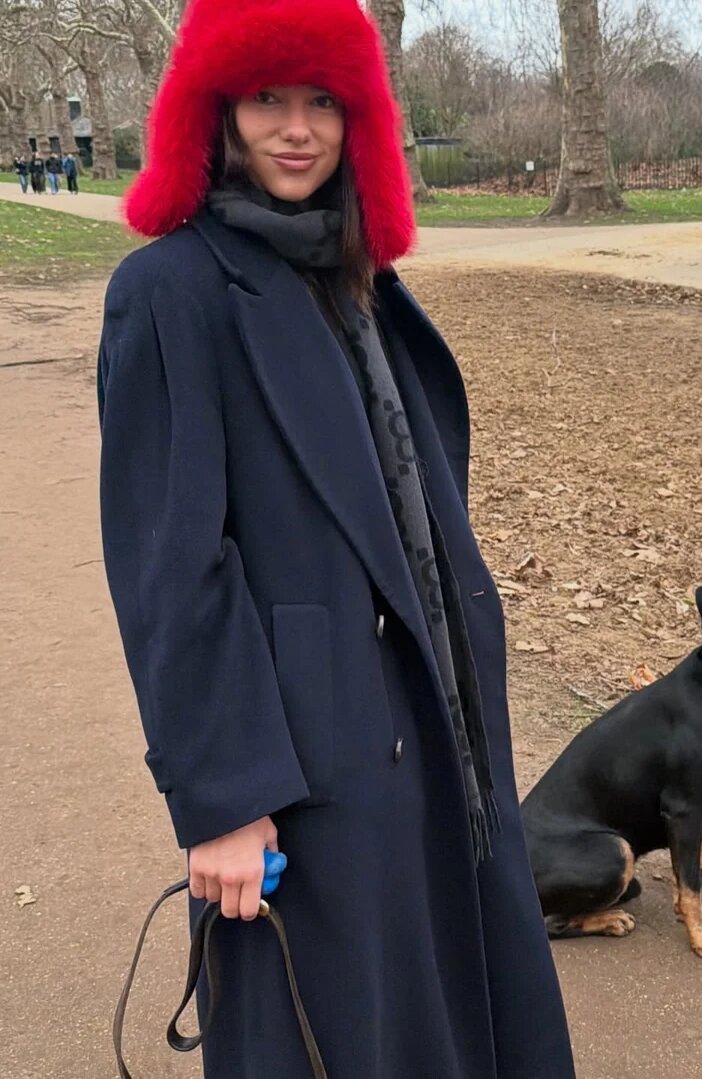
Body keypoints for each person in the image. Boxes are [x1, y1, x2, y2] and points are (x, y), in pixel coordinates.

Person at [96, 0, 577, 1076]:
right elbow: (171, 567)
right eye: (267, 97)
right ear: (217, 112)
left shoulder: (362, 281)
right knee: (327, 1028)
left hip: (427, 716)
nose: (296, 128)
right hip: (301, 756)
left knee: (441, 1001)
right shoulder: (171, 291)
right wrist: (225, 800)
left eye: (322, 100)